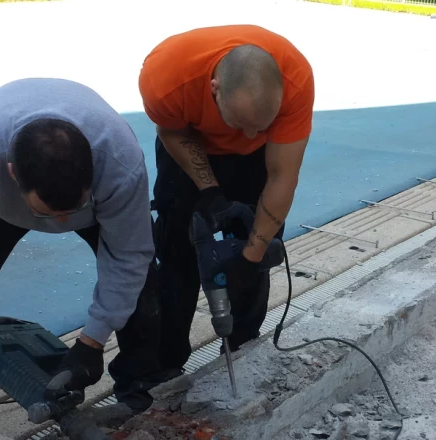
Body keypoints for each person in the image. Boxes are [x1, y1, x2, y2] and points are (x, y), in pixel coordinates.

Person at [0, 78, 167, 412]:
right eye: (47, 213)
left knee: (144, 290)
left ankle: (139, 391)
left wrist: (92, 342)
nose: (60, 223)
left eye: (71, 211)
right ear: (12, 173)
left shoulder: (119, 164)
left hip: (92, 199)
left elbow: (129, 256)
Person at [135, 24, 315, 376]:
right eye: (241, 123)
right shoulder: (167, 76)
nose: (248, 134)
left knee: (253, 254)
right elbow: (171, 131)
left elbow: (282, 175)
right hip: (189, 146)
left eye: (260, 126)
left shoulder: (295, 80)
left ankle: (242, 348)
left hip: (257, 160)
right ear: (214, 90)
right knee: (177, 256)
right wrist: (210, 190)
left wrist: (251, 257)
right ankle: (165, 366)